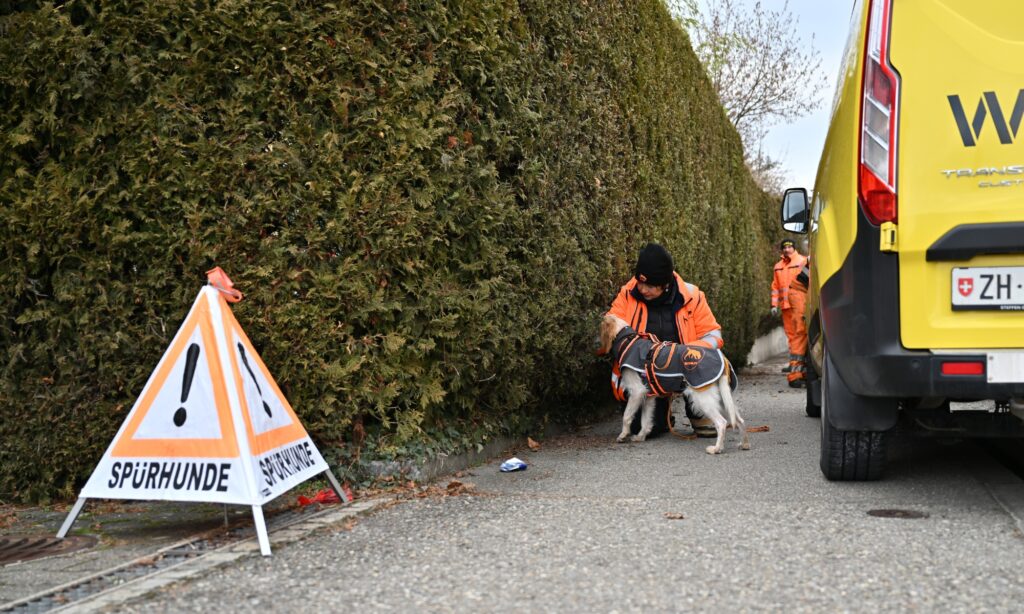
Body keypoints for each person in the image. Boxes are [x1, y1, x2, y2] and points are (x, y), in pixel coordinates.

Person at [606, 243, 724, 437]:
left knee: (708, 427)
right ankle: (663, 415)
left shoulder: (692, 296)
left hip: (686, 368)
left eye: (650, 285)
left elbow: (713, 335)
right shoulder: (627, 293)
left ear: (666, 284)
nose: (642, 289)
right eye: (640, 282)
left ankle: (698, 414)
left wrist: (687, 355)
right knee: (640, 428)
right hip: (647, 378)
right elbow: (611, 328)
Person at [771, 239, 809, 388]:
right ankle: (797, 369)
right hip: (786, 306)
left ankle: (797, 371)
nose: (787, 250)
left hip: (798, 304)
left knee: (799, 335)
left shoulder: (802, 261)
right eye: (784, 247)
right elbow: (775, 287)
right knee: (794, 337)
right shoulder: (778, 267)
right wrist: (774, 305)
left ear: (794, 248)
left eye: (789, 247)